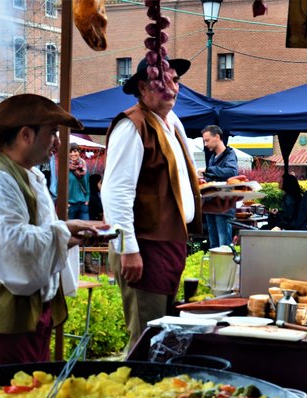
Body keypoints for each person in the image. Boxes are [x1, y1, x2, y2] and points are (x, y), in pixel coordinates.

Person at [0, 93, 103, 368]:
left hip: (31, 313)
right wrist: (64, 232)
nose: (58, 142)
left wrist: (67, 236)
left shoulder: (30, 175)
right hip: (1, 322)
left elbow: (38, 234)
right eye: (52, 133)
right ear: (26, 134)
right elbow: (15, 244)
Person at [101, 57, 237, 352]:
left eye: (175, 80)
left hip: (169, 241)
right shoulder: (132, 125)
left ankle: (157, 391)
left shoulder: (172, 123)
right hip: (145, 245)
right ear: (142, 87)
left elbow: (174, 186)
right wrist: (127, 249)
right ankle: (137, 391)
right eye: (163, 81)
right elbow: (116, 193)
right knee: (146, 336)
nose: (173, 87)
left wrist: (207, 203)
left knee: (164, 332)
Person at [198, 124, 238, 247]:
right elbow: (213, 178)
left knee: (224, 245)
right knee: (214, 245)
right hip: (210, 206)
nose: (205, 144)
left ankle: (225, 266)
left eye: (207, 140)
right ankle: (215, 267)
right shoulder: (212, 158)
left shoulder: (230, 155)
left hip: (223, 207)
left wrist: (208, 169)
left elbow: (231, 171)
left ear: (217, 137)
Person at [67, 143, 90, 220]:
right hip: (70, 205)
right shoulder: (65, 167)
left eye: (75, 151)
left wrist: (87, 200)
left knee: (86, 231)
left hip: (83, 204)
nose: (73, 154)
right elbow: (59, 187)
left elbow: (87, 184)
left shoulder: (84, 167)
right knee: (69, 231)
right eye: (70, 152)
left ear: (79, 152)